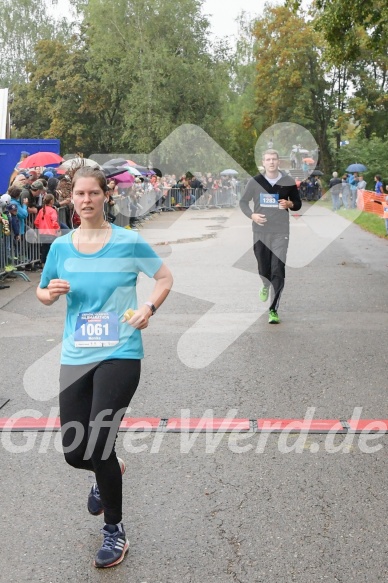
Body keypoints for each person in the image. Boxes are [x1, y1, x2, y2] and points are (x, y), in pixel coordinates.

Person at [36, 166, 173, 569]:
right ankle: (106, 470)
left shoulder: (129, 241)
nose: (86, 200)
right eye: (79, 193)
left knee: (98, 442)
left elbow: (164, 277)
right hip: (77, 354)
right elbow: (43, 291)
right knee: (75, 452)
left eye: (93, 193)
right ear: (71, 198)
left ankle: (114, 531)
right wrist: (49, 293)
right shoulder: (61, 247)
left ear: (104, 196)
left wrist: (149, 307)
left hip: (120, 352)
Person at [239, 149, 301, 324]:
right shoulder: (255, 181)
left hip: (281, 231)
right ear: (263, 162)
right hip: (260, 231)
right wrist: (252, 215)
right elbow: (243, 202)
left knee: (277, 269)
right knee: (263, 268)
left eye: (274, 159)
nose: (271, 162)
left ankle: (273, 309)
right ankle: (265, 284)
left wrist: (290, 203)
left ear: (278, 162)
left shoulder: (287, 181)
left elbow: (297, 203)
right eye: (268, 159)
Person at [34, 193, 60, 266]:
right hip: (51, 233)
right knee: (51, 249)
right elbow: (54, 222)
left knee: (45, 249)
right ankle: (50, 264)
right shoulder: (52, 211)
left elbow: (36, 222)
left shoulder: (41, 210)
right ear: (51, 201)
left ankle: (43, 264)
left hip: (42, 233)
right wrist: (58, 229)